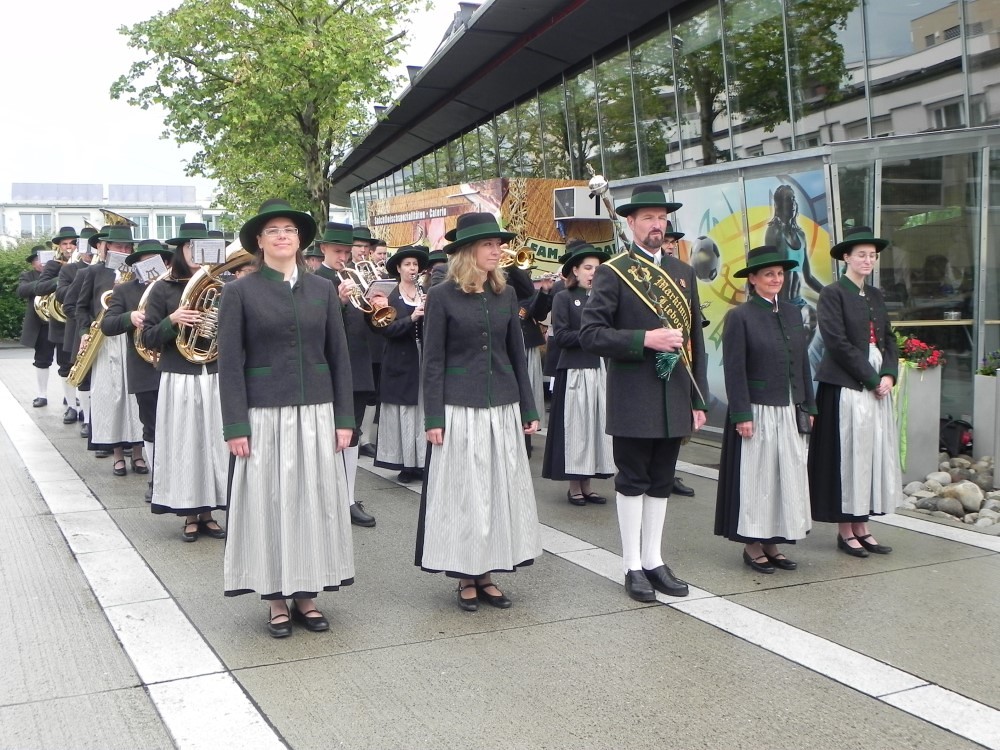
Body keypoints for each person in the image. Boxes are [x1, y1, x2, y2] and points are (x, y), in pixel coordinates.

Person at [218, 199, 356, 638]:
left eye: (290, 230)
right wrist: (235, 424)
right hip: (264, 414)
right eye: (273, 230)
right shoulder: (239, 292)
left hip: (316, 412)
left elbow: (338, 356)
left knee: (312, 502)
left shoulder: (322, 290)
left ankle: (307, 594)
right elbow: (229, 364)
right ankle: (276, 599)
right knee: (271, 503)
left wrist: (344, 418)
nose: (282, 236)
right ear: (260, 241)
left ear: (300, 240)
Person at [579, 184, 708, 602]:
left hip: (674, 394)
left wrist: (698, 398)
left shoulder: (683, 272)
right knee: (633, 479)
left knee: (662, 479)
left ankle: (654, 559)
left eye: (662, 218)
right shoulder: (613, 272)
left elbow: (695, 340)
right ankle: (631, 564)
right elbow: (591, 335)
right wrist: (644, 339)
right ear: (631, 222)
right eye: (648, 217)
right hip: (634, 394)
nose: (657, 224)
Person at [416, 212, 541, 612]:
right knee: (466, 493)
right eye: (489, 244)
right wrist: (434, 418)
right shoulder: (442, 296)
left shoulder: (506, 293)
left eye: (498, 244)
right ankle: (465, 575)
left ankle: (487, 573)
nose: (497, 250)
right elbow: (433, 360)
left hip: (502, 405)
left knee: (497, 491)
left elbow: (516, 355)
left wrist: (528, 407)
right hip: (459, 407)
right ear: (468, 251)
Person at [714, 246, 815, 573]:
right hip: (758, 410)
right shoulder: (740, 316)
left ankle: (774, 542)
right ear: (753, 279)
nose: (776, 279)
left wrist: (809, 405)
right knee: (758, 478)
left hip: (789, 408)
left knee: (784, 477)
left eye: (779, 273)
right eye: (768, 274)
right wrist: (742, 414)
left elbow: (802, 363)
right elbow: (735, 369)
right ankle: (753, 545)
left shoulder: (792, 312)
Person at [809, 227, 898, 557]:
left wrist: (889, 374)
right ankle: (845, 529)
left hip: (876, 383)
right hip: (846, 385)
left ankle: (863, 525)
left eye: (872, 255)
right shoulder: (832, 293)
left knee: (870, 454)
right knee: (848, 456)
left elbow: (889, 338)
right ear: (846, 257)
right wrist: (872, 378)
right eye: (861, 254)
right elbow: (837, 343)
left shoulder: (875, 295)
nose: (867, 260)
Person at [139, 224, 229, 538]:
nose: (197, 253)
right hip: (179, 377)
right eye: (191, 247)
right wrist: (172, 320)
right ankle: (190, 514)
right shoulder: (163, 288)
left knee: (212, 444)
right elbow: (147, 336)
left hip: (213, 375)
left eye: (203, 246)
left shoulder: (224, 286)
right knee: (185, 445)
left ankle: (208, 512)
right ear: (181, 250)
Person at [542, 240, 615, 504]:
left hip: (598, 369)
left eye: (596, 268)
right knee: (576, 429)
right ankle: (574, 485)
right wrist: (592, 336)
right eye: (587, 267)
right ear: (575, 270)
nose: (592, 272)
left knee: (596, 427)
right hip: (574, 371)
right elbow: (561, 336)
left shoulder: (604, 299)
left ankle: (588, 483)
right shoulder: (563, 297)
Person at [314, 222, 377, 527]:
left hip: (358, 367)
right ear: (323, 249)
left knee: (352, 435)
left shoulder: (358, 278)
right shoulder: (314, 282)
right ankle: (325, 499)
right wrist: (338, 302)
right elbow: (315, 327)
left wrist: (378, 306)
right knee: (328, 436)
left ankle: (348, 498)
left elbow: (373, 325)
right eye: (337, 251)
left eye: (346, 252)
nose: (343, 257)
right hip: (328, 370)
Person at [102, 239, 172, 502]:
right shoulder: (124, 291)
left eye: (157, 260)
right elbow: (108, 325)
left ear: (167, 263)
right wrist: (129, 317)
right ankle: (156, 480)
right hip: (144, 368)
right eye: (145, 261)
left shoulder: (177, 286)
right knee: (151, 426)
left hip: (177, 365)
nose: (151, 265)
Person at [76, 226, 146, 476]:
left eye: (127, 247)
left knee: (136, 397)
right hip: (104, 340)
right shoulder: (93, 272)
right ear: (107, 247)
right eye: (118, 246)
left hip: (133, 337)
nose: (124, 250)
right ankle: (117, 454)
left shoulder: (140, 271)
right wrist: (84, 332)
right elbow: (80, 307)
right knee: (110, 396)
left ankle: (138, 453)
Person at [371, 245, 429, 483]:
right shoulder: (390, 296)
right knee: (404, 412)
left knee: (421, 409)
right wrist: (412, 318)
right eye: (407, 264)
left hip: (422, 357)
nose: (412, 268)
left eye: (415, 264)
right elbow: (385, 330)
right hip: (399, 358)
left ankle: (421, 462)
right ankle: (406, 464)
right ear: (399, 268)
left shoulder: (425, 292)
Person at [658, 221, 699, 498]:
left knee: (677, 418)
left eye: (673, 242)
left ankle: (669, 472)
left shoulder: (683, 273)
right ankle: (663, 474)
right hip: (658, 353)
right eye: (667, 241)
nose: (671, 246)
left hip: (682, 354)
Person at [35, 226, 80, 423]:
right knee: (65, 365)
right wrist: (61, 278)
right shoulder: (54, 265)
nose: (69, 247)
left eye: (72, 243)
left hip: (81, 318)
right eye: (65, 244)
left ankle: (84, 405)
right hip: (61, 322)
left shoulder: (85, 263)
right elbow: (40, 287)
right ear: (59, 247)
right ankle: (71, 406)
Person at [60, 228, 97, 434]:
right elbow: (67, 302)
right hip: (82, 330)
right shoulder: (73, 270)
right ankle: (86, 418)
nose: (90, 252)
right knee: (82, 374)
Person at [16, 247, 55, 407]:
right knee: (42, 360)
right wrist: (45, 283)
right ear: (33, 263)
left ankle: (71, 396)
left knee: (68, 361)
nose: (43, 262)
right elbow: (21, 290)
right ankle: (42, 394)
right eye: (38, 259)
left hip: (61, 323)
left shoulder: (60, 272)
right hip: (42, 324)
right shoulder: (28, 276)